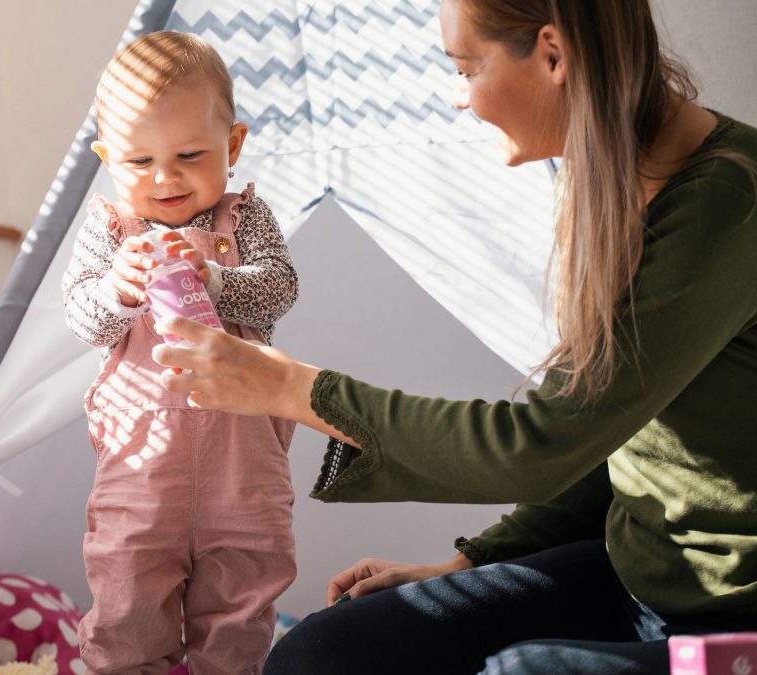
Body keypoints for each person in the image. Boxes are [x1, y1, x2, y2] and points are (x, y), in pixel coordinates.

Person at [151, 1, 757, 673]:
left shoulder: (728, 204)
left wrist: (290, 387)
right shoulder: (608, 177)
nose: (458, 97)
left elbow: (542, 444)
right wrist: (472, 562)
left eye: (468, 67)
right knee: (322, 652)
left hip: (735, 617)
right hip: (630, 574)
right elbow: (603, 437)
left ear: (553, 56)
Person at [61, 31, 300, 675]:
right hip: (140, 469)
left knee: (242, 605)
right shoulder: (112, 230)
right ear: (109, 158)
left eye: (190, 154)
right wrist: (118, 288)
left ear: (233, 145)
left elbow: (280, 290)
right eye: (139, 163)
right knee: (127, 598)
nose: (165, 178)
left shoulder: (242, 219)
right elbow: (81, 319)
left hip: (242, 470)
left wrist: (216, 277)